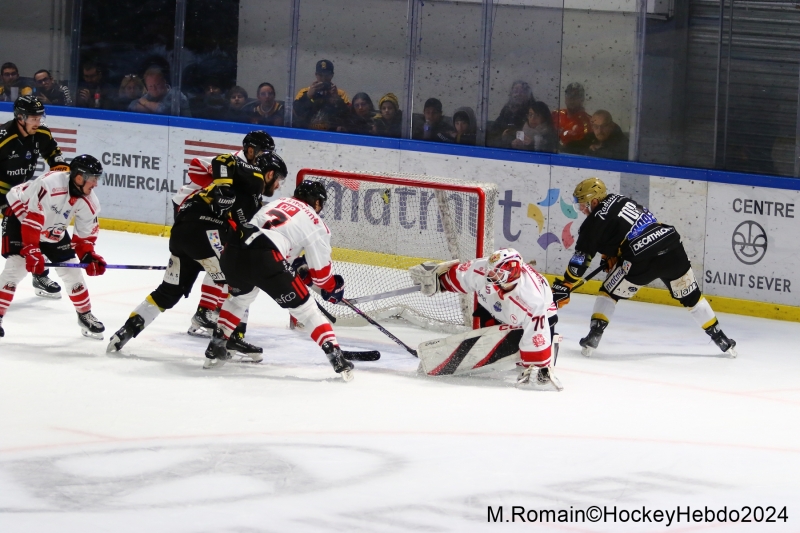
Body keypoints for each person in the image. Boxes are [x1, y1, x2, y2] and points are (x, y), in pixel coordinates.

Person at [106, 151, 289, 358]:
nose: (278, 186)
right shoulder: (255, 177)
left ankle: (127, 330)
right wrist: (223, 186)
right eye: (279, 179)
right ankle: (230, 339)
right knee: (243, 285)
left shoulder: (253, 201)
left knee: (169, 291)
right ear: (270, 173)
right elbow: (223, 160)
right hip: (206, 233)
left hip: (182, 234)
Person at [551, 177, 737, 358]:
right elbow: (632, 227)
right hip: (671, 245)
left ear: (595, 200)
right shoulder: (621, 199)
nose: (582, 209)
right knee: (693, 298)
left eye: (583, 204)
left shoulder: (592, 223)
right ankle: (721, 338)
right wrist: (614, 253)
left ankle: (594, 335)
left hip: (641, 258)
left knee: (609, 292)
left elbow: (580, 261)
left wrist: (567, 284)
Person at [201, 180, 354, 380]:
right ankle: (336, 357)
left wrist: (297, 269)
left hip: (233, 251)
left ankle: (216, 345)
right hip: (265, 256)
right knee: (307, 311)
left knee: (240, 299)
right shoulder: (317, 223)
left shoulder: (276, 202)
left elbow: (269, 239)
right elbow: (322, 276)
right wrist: (334, 287)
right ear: (317, 203)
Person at [408, 248, 561, 389]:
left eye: (497, 274)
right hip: (495, 307)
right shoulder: (487, 268)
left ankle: (547, 345)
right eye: (492, 271)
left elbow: (537, 334)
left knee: (525, 363)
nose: (490, 275)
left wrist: (537, 366)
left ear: (511, 275)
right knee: (485, 345)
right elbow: (462, 276)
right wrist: (440, 282)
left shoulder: (532, 301)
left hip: (536, 317)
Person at [174, 130, 276, 339]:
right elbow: (196, 165)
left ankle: (210, 310)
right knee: (222, 260)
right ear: (250, 149)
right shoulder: (233, 161)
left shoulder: (253, 171)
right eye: (263, 151)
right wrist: (221, 187)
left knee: (225, 260)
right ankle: (206, 310)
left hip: (212, 216)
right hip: (192, 209)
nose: (266, 156)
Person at [0, 155, 107, 339]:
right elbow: (32, 220)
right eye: (93, 178)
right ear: (79, 177)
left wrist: (88, 255)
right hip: (21, 215)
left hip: (52, 225)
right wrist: (32, 250)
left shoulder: (90, 201)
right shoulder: (50, 184)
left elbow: (84, 237)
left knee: (72, 270)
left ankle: (84, 314)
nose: (96, 183)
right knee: (16, 267)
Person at [0, 95, 70, 299]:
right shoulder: (3, 137)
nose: (38, 122)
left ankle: (38, 275)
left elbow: (56, 158)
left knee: (33, 231)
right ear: (20, 117)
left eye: (40, 117)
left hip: (23, 193)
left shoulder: (41, 133)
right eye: (34, 118)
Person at [293, 59, 350, 131]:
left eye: (327, 75)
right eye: (320, 75)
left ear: (332, 75)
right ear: (316, 75)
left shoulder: (340, 94)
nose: (323, 79)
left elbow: (348, 117)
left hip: (331, 133)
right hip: (307, 131)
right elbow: (296, 112)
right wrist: (307, 96)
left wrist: (337, 100)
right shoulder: (305, 92)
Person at [486, 81, 534, 148]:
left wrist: (530, 142)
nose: (518, 94)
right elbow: (493, 134)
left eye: (522, 92)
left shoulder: (533, 112)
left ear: (528, 94)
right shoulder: (506, 111)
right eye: (516, 91)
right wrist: (502, 137)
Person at [552, 82, 592, 151]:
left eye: (576, 96)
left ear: (582, 99)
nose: (571, 99)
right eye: (569, 95)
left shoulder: (589, 122)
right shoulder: (555, 114)